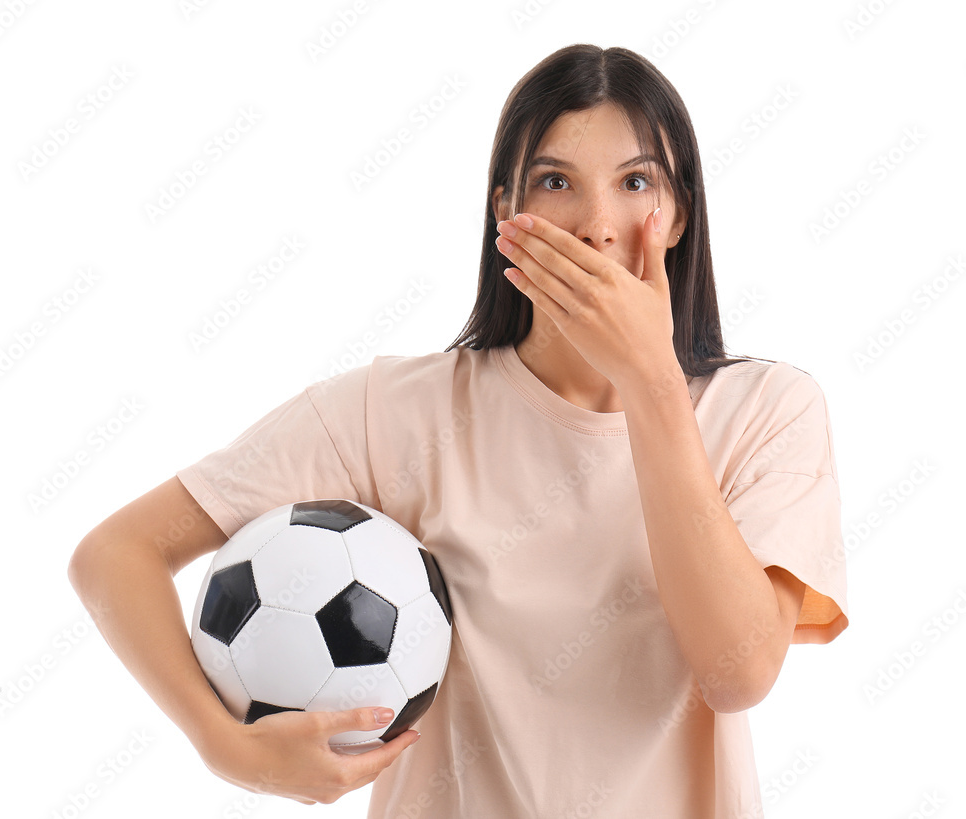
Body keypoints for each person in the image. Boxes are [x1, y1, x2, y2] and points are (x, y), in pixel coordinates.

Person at [69, 43, 849, 818]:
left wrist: (651, 384)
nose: (597, 227)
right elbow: (115, 555)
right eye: (555, 182)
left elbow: (738, 672)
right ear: (506, 210)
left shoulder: (768, 411)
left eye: (636, 182)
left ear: (677, 215)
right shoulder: (394, 411)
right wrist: (226, 745)